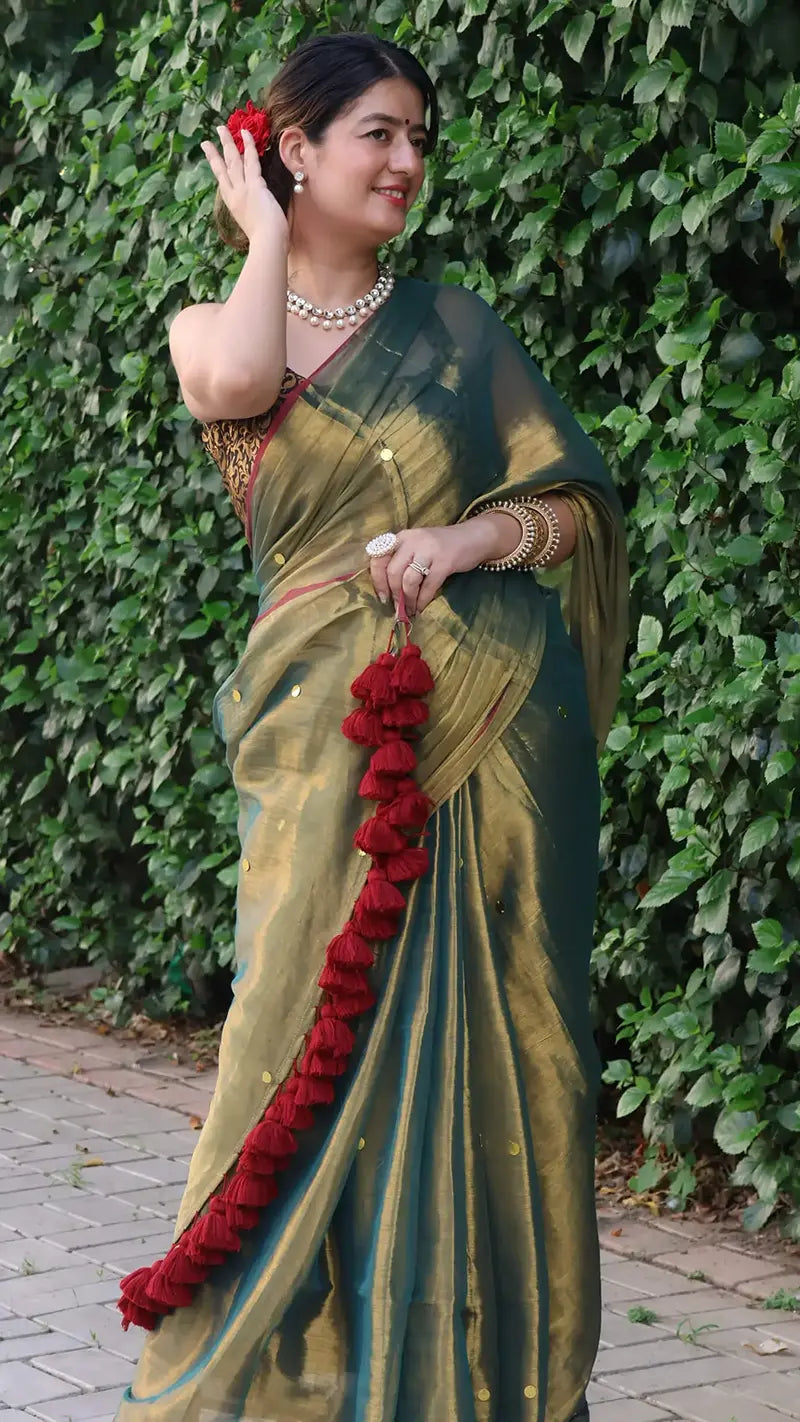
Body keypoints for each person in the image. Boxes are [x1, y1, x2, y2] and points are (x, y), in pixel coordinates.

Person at [115, 31, 627, 1422]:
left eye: (417, 136)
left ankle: (495, 1376)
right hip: (322, 731)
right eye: (378, 135)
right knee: (293, 1021)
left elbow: (575, 506)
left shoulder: (461, 329)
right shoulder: (212, 327)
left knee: (521, 1037)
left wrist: (466, 536)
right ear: (295, 152)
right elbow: (232, 388)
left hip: (506, 719)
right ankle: (285, 1368)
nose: (408, 160)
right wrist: (263, 235)